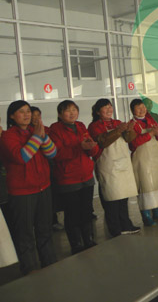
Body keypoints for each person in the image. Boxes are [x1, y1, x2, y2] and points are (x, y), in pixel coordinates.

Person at [0, 100, 57, 275]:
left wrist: (42, 136)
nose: (26, 115)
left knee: (45, 229)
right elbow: (22, 157)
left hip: (43, 187)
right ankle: (30, 269)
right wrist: (37, 137)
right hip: (22, 192)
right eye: (21, 112)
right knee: (25, 233)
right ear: (12, 116)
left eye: (28, 111)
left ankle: (50, 263)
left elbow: (52, 153)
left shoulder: (36, 131)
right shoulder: (8, 136)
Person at [49, 100, 100, 254]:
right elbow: (56, 153)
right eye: (67, 110)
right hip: (68, 178)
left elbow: (91, 150)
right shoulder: (55, 129)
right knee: (72, 213)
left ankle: (88, 239)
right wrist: (80, 147)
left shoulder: (81, 126)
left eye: (74, 109)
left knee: (86, 210)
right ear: (60, 114)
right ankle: (76, 244)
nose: (72, 113)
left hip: (86, 175)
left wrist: (92, 147)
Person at [88, 99, 140, 237]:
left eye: (110, 107)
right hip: (107, 165)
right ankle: (115, 228)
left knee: (123, 196)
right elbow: (103, 142)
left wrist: (129, 130)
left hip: (122, 163)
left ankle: (126, 224)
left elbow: (129, 139)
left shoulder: (117, 122)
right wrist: (118, 131)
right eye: (105, 108)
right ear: (98, 111)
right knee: (111, 198)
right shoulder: (94, 126)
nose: (109, 110)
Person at [129, 99, 158, 226]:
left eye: (143, 107)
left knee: (156, 183)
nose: (142, 110)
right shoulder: (132, 125)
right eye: (138, 108)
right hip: (142, 159)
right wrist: (151, 133)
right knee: (145, 186)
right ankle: (146, 215)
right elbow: (133, 144)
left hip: (155, 157)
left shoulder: (151, 120)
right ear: (132, 110)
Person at [31, 107, 64, 232]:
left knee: (51, 196)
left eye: (38, 115)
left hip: (49, 167)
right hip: (35, 170)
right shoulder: (28, 132)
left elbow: (53, 149)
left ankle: (53, 220)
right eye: (33, 115)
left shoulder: (47, 130)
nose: (35, 118)